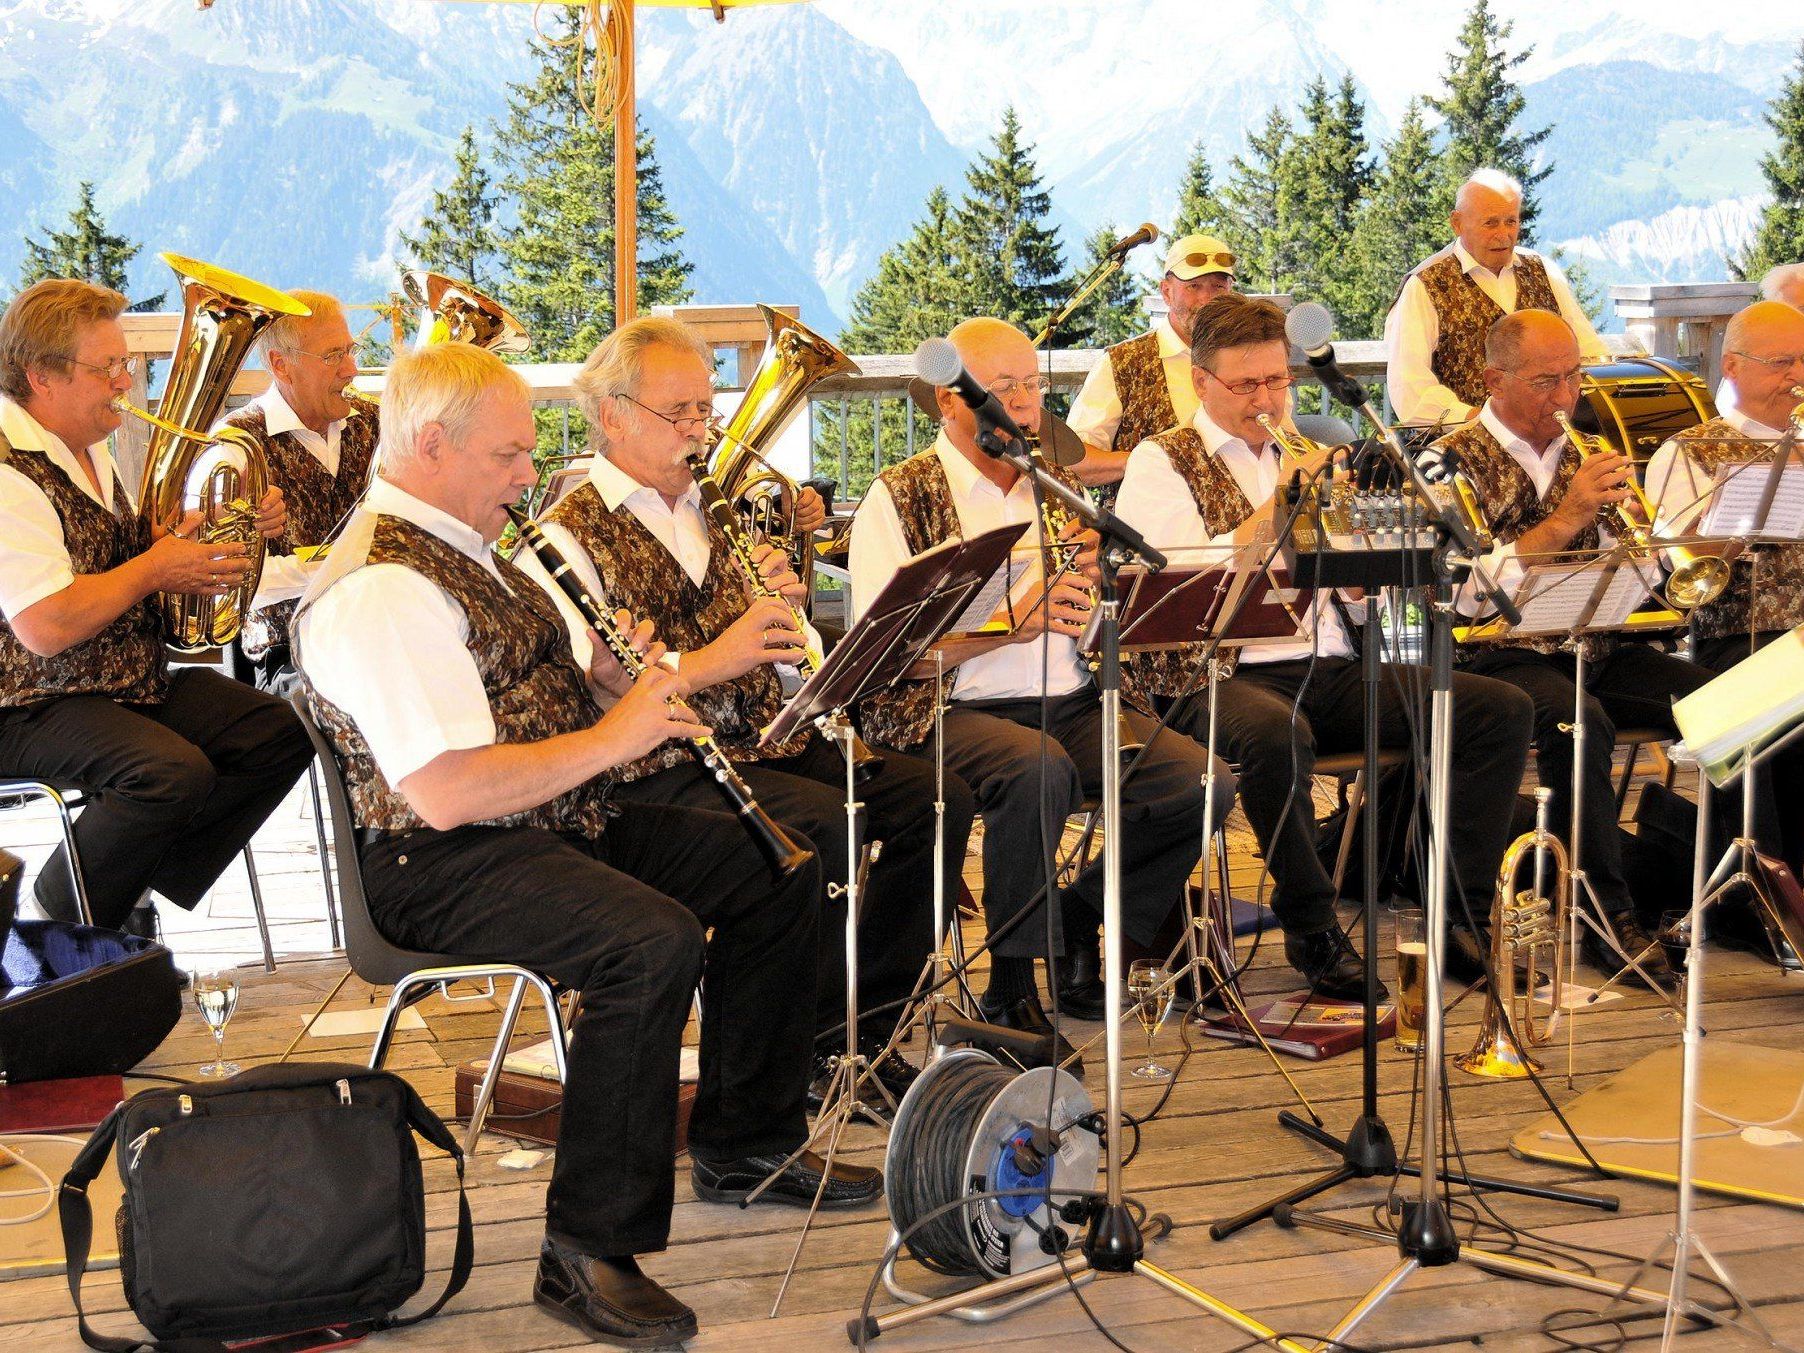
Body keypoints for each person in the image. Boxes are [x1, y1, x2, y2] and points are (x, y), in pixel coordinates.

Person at [294, 340, 876, 1350]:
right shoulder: (382, 585)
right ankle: (587, 1248)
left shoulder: (463, 541)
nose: (530, 477)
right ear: (431, 444)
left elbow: (559, 677)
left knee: (779, 861)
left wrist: (632, 682)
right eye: (510, 456)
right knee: (645, 944)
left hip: (549, 815)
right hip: (439, 861)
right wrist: (614, 736)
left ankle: (747, 1144)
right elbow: (442, 792)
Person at [520, 316, 975, 1101]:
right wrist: (719, 657)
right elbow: (585, 685)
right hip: (658, 769)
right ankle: (771, 1069)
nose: (701, 430)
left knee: (936, 798)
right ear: (615, 415)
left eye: (706, 410)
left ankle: (854, 1029)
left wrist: (786, 616)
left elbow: (784, 651)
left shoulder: (717, 508)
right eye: (681, 413)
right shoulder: (564, 534)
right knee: (821, 828)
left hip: (764, 738)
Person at [1116, 293, 1534, 994]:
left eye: (1278, 380)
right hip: (1211, 673)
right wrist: (1280, 501)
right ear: (1200, 381)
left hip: (1327, 661)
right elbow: (1179, 589)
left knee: (1497, 709)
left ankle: (1457, 911)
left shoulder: (1307, 450)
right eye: (1247, 384)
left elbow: (1352, 592)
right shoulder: (1163, 462)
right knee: (1278, 733)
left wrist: (1361, 556)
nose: (1268, 399)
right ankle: (1312, 926)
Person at [849, 316, 1234, 1043]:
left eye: (1033, 384)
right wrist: (1005, 626)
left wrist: (1099, 592)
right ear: (949, 401)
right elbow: (883, 657)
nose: (1027, 403)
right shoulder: (899, 495)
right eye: (1004, 387)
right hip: (947, 710)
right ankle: (1011, 983)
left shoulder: (1052, 488)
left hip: (1073, 698)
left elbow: (1099, 617)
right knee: (1037, 770)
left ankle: (1076, 919)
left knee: (1200, 781)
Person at [0, 278, 312, 935]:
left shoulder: (83, 447)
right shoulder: (9, 469)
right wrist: (155, 568)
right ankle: (62, 914)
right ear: (42, 376)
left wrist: (232, 523)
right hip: (28, 704)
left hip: (116, 684)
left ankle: (121, 884)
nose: (122, 380)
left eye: (127, 364)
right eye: (107, 366)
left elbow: (119, 555)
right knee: (169, 772)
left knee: (276, 733)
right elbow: (45, 625)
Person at [1432, 308, 1715, 986]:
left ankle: (1722, 889)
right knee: (1579, 722)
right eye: (1546, 381)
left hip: (1594, 641)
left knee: (1718, 701)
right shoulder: (1448, 459)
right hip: (1493, 652)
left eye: (1575, 378)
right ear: (1494, 379)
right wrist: (1566, 519)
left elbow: (1637, 570)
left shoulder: (1587, 446)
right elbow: (1462, 593)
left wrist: (1657, 545)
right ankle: (1603, 914)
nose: (1565, 398)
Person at [1645, 299, 1804, 874]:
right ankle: (1769, 879)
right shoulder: (1689, 450)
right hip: (1741, 632)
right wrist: (1732, 533)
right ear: (1732, 365)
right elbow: (1673, 559)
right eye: (1782, 362)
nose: (1798, 378)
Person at [215, 290, 379, 691]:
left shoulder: (373, 421)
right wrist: (338, 568)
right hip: (287, 652)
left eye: (350, 350)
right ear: (280, 365)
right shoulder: (236, 444)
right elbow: (228, 579)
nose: (351, 370)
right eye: (332, 356)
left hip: (377, 628)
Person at [1386, 169, 1606, 429]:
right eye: (1490, 223)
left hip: (1550, 441)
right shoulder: (1425, 285)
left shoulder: (1543, 271)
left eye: (1511, 221)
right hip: (1464, 451)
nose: (1503, 234)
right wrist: (1482, 423)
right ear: (1457, 223)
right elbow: (1409, 387)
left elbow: (1590, 353)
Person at [1067, 233, 1236, 489]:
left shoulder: (1248, 358)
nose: (1207, 299)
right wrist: (1150, 461)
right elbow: (1074, 464)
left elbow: (1282, 444)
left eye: (1218, 287)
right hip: (1145, 526)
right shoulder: (1123, 362)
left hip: (1247, 525)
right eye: (1194, 286)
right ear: (1166, 292)